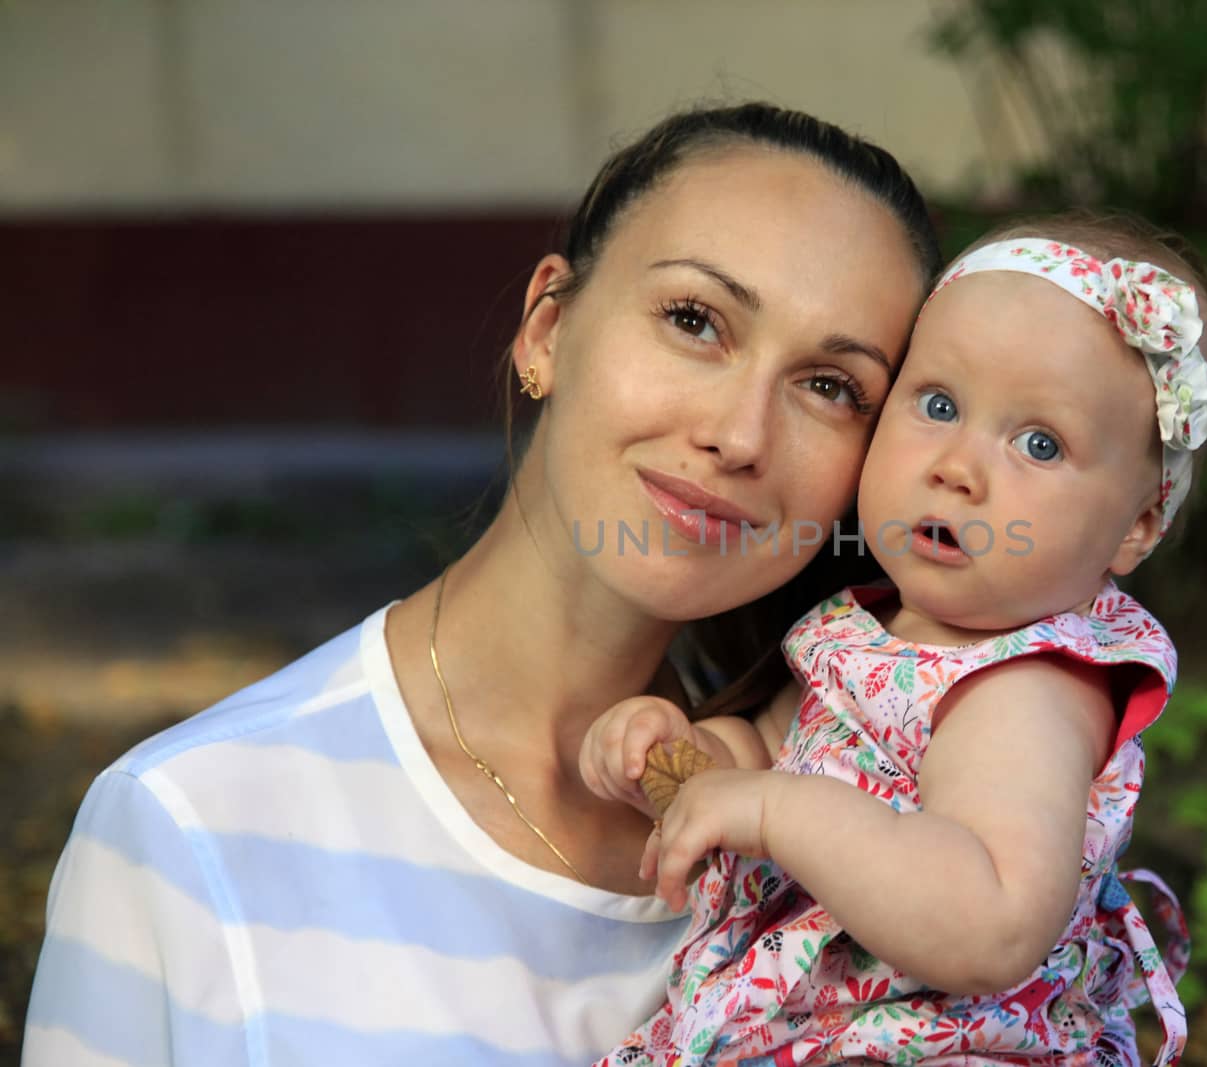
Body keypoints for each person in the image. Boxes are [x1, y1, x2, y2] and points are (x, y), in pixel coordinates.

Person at [20, 102, 943, 1067]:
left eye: (831, 386)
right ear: (547, 328)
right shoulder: (189, 824)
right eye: (694, 320)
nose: (740, 434)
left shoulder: (886, 869)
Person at [580, 213, 1207, 1066]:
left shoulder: (1025, 689)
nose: (957, 466)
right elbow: (780, 748)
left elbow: (992, 920)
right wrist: (692, 757)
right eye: (938, 404)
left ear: (1136, 526)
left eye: (1039, 444)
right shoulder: (874, 630)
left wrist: (776, 813)